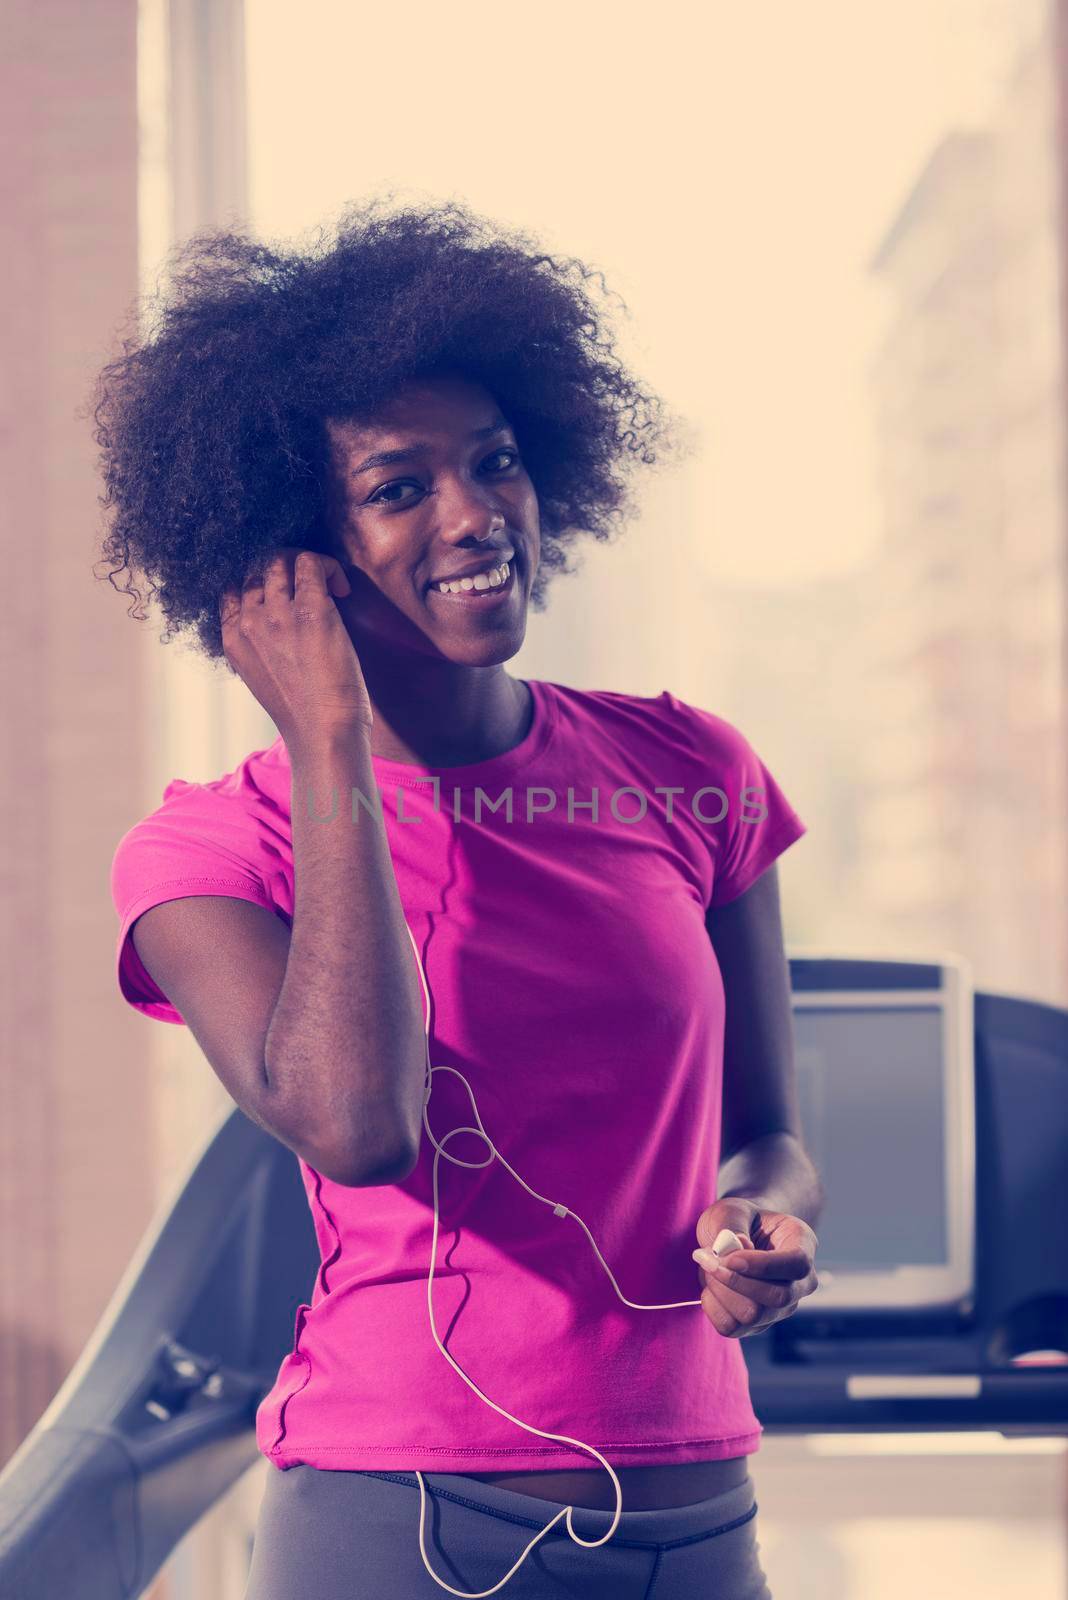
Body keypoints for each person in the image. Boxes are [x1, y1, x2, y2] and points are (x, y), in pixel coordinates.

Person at [96, 195, 824, 1599]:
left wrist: (760, 1224)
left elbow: (772, 1134)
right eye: (397, 486)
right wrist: (328, 739)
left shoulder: (692, 768)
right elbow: (360, 1126)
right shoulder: (208, 856)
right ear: (280, 558)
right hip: (397, 1521)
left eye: (495, 463)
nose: (476, 512)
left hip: (697, 1506)